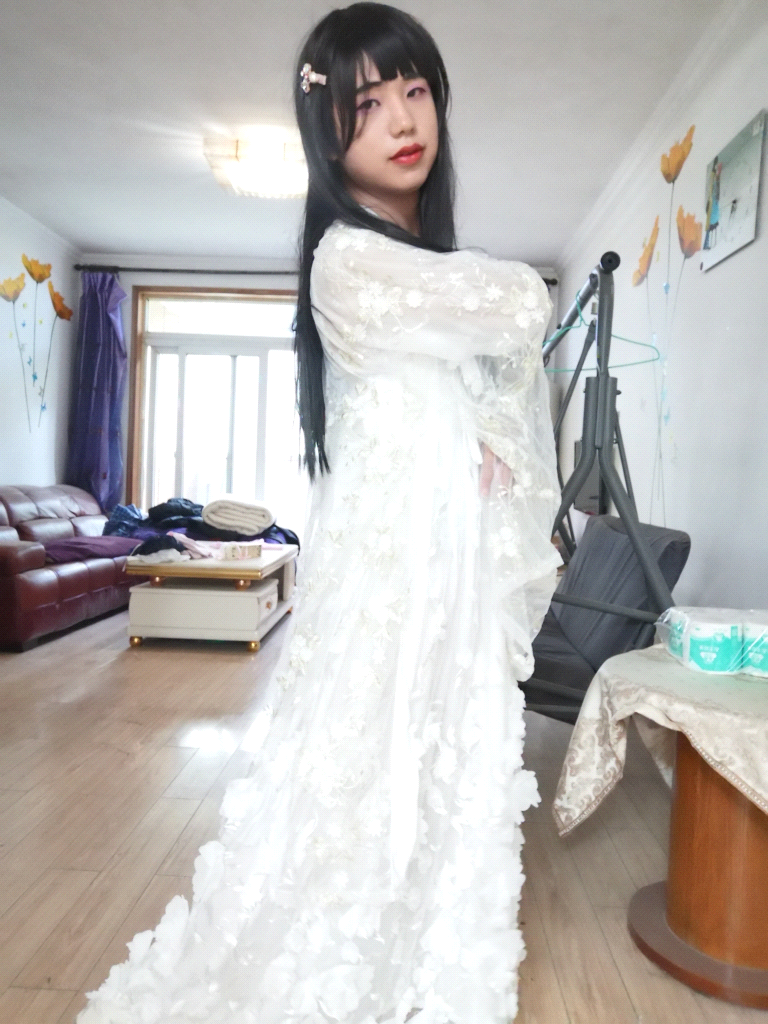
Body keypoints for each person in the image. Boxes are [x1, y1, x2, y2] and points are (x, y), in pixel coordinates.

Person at [77, 4, 561, 1022]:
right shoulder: (350, 258)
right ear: (326, 135)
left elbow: (464, 374)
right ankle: (346, 956)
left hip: (439, 551)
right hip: (396, 560)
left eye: (415, 91)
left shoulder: (410, 260)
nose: (403, 119)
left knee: (431, 741)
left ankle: (419, 935)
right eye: (366, 103)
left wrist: (480, 430)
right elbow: (522, 302)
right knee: (369, 752)